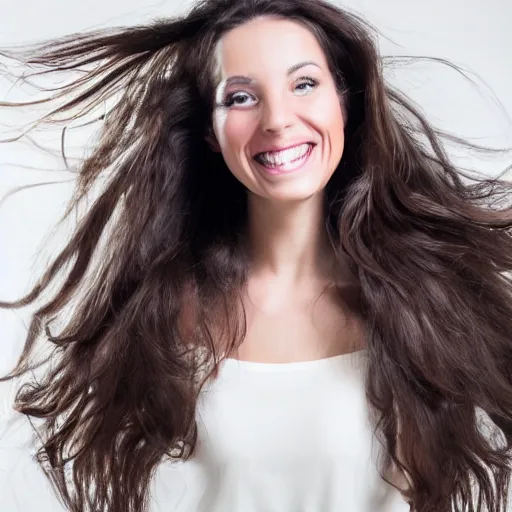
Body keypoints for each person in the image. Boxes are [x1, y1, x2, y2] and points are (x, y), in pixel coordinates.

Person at [0, 0, 511, 510]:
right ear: (211, 132)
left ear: (344, 103)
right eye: (242, 97)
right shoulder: (168, 310)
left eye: (304, 84)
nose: (278, 121)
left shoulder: (422, 304)